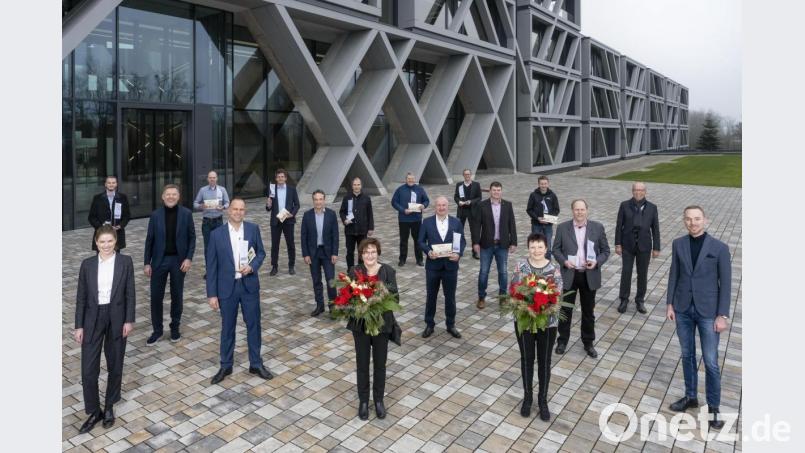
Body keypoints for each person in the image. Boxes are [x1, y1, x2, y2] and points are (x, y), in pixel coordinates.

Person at [666, 205, 731, 429]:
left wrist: (722, 315)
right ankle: (690, 396)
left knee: (711, 361)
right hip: (683, 308)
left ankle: (713, 407)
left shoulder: (719, 248)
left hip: (708, 312)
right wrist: (670, 303)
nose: (692, 223)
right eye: (688, 219)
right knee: (687, 355)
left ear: (705, 220)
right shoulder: (678, 244)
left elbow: (726, 284)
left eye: (697, 219)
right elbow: (674, 274)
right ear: (684, 221)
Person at [74, 225, 135, 433]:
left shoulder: (125, 262)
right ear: (96, 242)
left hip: (117, 317)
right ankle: (94, 411)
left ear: (116, 241)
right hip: (92, 318)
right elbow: (81, 297)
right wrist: (79, 325)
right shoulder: (87, 265)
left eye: (110, 241)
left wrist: (129, 320)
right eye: (102, 241)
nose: (106, 245)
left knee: (115, 363)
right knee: (88, 370)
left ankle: (109, 406)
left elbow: (130, 293)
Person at [206, 199, 273, 384]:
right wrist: (212, 294)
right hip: (227, 289)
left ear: (245, 211)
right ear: (229, 210)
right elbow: (211, 266)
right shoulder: (216, 235)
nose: (238, 212)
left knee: (254, 325)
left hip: (249, 286)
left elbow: (261, 253)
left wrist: (252, 266)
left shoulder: (252, 229)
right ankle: (226, 365)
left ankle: (256, 363)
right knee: (227, 328)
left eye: (241, 209)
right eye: (235, 209)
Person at [510, 233, 560, 421]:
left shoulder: (554, 270)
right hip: (525, 321)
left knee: (544, 361)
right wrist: (526, 305)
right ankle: (528, 398)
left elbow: (558, 295)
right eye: (533, 247)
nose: (536, 250)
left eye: (540, 247)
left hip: (548, 323)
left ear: (546, 248)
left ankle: (543, 400)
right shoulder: (521, 266)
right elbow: (513, 290)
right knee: (527, 359)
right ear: (528, 248)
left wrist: (543, 307)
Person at [347, 238, 398, 420]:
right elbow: (348, 298)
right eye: (366, 252)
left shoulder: (388, 271)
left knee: (380, 365)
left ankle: (378, 400)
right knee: (362, 364)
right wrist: (360, 306)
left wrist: (377, 304)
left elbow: (395, 299)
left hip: (381, 326)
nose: (370, 255)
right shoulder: (354, 271)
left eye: (373, 252)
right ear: (361, 255)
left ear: (378, 253)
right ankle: (363, 401)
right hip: (360, 326)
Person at [552, 199, 610, 358]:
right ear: (572, 210)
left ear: (587, 210)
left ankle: (588, 342)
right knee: (566, 310)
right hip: (569, 274)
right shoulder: (562, 227)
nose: (579, 212)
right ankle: (562, 341)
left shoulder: (597, 227)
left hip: (588, 275)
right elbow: (555, 250)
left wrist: (596, 262)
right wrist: (564, 261)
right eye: (576, 209)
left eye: (582, 209)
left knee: (588, 312)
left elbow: (606, 251)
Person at [144, 184, 196, 344]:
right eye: (168, 194)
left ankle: (175, 328)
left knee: (177, 296)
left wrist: (188, 258)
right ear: (163, 196)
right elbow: (149, 240)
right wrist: (147, 263)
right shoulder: (155, 215)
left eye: (174, 194)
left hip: (179, 262)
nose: (171, 197)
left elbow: (192, 238)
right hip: (159, 261)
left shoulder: (186, 214)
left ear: (178, 197)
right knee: (156, 297)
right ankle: (157, 330)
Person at [418, 196, 466, 339]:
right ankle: (429, 324)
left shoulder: (456, 222)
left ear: (448, 206)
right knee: (431, 296)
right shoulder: (427, 222)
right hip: (433, 266)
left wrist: (458, 254)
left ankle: (451, 324)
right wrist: (428, 251)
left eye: (444, 205)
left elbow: (461, 241)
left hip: (450, 266)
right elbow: (421, 241)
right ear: (435, 207)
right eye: (439, 205)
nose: (441, 208)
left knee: (450, 297)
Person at [615, 182, 660, 314]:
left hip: (644, 246)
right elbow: (619, 226)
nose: (638, 192)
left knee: (642, 274)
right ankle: (624, 299)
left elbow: (655, 229)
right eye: (635, 190)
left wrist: (656, 247)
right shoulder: (624, 205)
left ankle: (640, 300)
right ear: (632, 191)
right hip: (627, 245)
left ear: (645, 192)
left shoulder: (652, 207)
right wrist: (618, 244)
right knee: (626, 272)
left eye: (641, 190)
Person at [472, 181, 517, 310]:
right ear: (490, 191)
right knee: (483, 272)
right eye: (494, 190)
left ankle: (502, 297)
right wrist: (475, 242)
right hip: (486, 245)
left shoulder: (507, 205)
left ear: (501, 191)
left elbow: (512, 224)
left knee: (503, 272)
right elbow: (476, 225)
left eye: (498, 190)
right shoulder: (482, 205)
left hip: (502, 245)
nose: (496, 192)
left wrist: (513, 242)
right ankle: (481, 297)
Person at [301, 190, 339, 317]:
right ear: (313, 201)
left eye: (320, 199)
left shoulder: (331, 214)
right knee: (316, 280)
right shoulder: (307, 215)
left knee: (330, 280)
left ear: (324, 200)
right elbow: (303, 236)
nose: (318, 202)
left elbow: (335, 235)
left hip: (328, 253)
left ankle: (333, 307)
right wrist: (305, 254)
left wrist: (335, 253)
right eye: (316, 199)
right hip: (313, 253)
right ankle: (320, 305)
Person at [265, 168, 300, 275]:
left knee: (290, 244)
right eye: (278, 177)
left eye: (282, 177)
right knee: (275, 245)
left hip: (288, 220)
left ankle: (291, 266)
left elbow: (297, 204)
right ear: (276, 179)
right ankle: (274, 267)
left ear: (285, 178)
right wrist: (268, 205)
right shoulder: (272, 190)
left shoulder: (292, 189)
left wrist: (292, 214)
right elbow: (269, 208)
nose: (280, 178)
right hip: (275, 221)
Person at [391, 172, 429, 267]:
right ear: (406, 179)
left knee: (418, 240)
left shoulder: (420, 189)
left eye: (412, 179)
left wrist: (423, 205)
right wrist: (403, 210)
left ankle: (419, 260)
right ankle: (402, 259)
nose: (411, 180)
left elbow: (426, 200)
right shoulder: (400, 190)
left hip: (416, 219)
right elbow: (394, 202)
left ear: (414, 179)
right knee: (403, 240)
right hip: (404, 219)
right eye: (409, 179)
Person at [88, 176, 131, 251]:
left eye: (113, 183)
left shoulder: (122, 198)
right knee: (101, 255)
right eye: (109, 183)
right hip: (101, 233)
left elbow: (127, 216)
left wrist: (120, 226)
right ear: (105, 184)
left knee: (116, 256)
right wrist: (101, 226)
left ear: (116, 184)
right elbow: (91, 217)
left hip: (117, 233)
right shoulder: (97, 198)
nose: (111, 184)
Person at [339, 177, 374, 270]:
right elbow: (342, 212)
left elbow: (370, 213)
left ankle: (360, 270)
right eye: (354, 185)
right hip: (350, 230)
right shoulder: (347, 198)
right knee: (349, 252)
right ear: (352, 186)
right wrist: (344, 220)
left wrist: (371, 228)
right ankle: (350, 270)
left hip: (362, 231)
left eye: (358, 184)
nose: (356, 186)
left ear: (361, 186)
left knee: (362, 252)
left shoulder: (366, 198)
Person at [193, 170, 230, 256]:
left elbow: (227, 202)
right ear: (207, 179)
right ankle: (209, 264)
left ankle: (218, 263)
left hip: (218, 221)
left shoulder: (222, 189)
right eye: (210, 178)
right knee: (208, 246)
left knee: (219, 245)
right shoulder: (202, 190)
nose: (212, 179)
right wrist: (201, 206)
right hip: (207, 222)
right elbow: (195, 203)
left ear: (217, 178)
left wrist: (223, 207)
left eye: (214, 177)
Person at [526, 176, 560, 260]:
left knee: (548, 246)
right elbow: (529, 209)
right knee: (536, 245)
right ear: (538, 184)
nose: (543, 185)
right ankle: (536, 262)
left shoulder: (552, 195)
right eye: (542, 184)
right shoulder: (533, 195)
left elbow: (556, 209)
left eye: (545, 183)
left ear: (548, 184)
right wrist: (537, 218)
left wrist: (548, 219)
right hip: (536, 225)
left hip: (548, 225)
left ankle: (547, 263)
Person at [453, 169, 482, 259]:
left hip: (473, 211)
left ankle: (475, 252)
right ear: (463, 175)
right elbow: (456, 196)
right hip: (462, 210)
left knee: (475, 232)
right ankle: (458, 251)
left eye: (468, 174)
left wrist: (471, 202)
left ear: (471, 175)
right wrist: (459, 202)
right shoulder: (459, 185)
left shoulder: (476, 185)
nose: (467, 176)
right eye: (465, 174)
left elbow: (479, 197)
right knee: (458, 231)